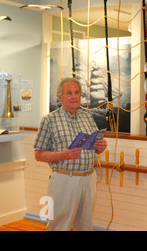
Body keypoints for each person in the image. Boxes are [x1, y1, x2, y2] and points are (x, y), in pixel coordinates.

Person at [34, 77, 107, 231]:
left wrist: (100, 146)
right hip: (64, 179)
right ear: (60, 97)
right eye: (69, 93)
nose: (74, 96)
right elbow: (38, 155)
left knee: (85, 225)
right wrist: (64, 154)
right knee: (60, 225)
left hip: (88, 179)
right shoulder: (49, 120)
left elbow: (95, 149)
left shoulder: (87, 117)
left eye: (77, 92)